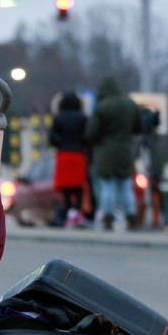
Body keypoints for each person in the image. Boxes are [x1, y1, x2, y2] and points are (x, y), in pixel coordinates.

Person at [85, 77, 143, 232]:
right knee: (125, 185)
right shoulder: (130, 105)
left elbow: (91, 133)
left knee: (107, 185)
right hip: (126, 150)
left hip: (106, 151)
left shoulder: (102, 107)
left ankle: (108, 218)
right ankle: (132, 217)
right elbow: (139, 127)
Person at [49, 92, 88, 228]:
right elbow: (87, 137)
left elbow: (52, 139)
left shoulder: (58, 118)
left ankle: (67, 210)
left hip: (64, 154)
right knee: (78, 187)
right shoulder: (83, 118)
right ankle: (76, 213)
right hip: (78, 154)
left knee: (65, 187)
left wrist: (61, 142)